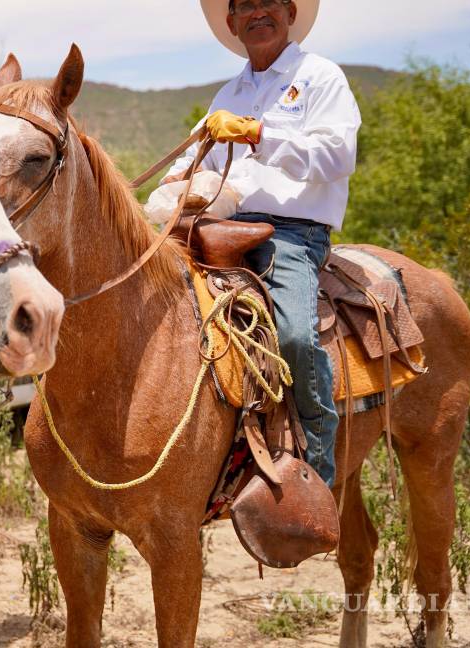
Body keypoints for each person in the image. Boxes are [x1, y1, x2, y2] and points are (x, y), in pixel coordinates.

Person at [164, 0, 361, 487]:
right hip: (220, 226)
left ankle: (318, 463)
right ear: (231, 23)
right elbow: (194, 163)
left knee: (294, 334)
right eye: (244, 6)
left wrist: (260, 135)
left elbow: (338, 156)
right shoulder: (227, 95)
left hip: (292, 233)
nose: (257, 13)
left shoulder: (321, 77)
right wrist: (168, 189)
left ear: (290, 11)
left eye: (267, 2)